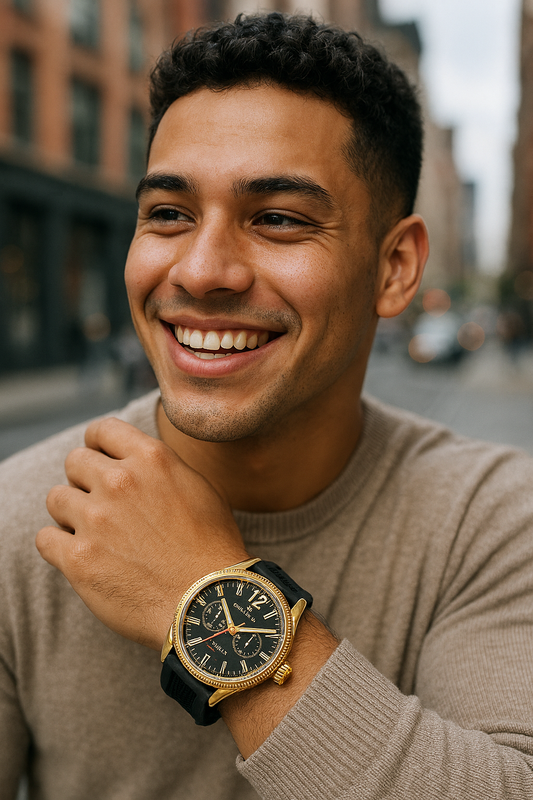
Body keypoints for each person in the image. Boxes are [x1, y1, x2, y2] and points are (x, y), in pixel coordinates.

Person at [2, 12, 533, 800]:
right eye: (169, 214)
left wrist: (208, 592)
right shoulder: (19, 525)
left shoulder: (492, 523)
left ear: (394, 267)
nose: (203, 269)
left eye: (278, 219)